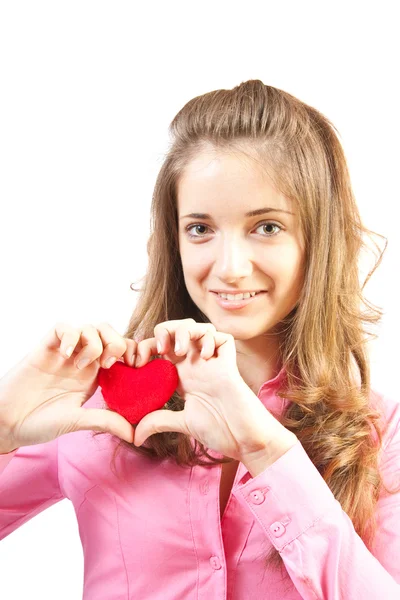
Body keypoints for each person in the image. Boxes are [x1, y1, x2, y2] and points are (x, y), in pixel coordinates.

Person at [1, 79, 399, 599]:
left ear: (318, 241)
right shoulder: (91, 411)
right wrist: (3, 428)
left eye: (268, 227)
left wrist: (268, 451)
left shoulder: (380, 434)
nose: (230, 268)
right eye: (201, 229)